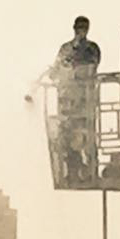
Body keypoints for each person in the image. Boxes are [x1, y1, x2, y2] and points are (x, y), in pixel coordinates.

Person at [50, 16, 101, 184]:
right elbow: (57, 70)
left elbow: (90, 67)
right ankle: (72, 172)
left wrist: (73, 66)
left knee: (86, 138)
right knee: (67, 139)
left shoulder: (92, 49)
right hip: (67, 103)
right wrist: (58, 70)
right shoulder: (65, 49)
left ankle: (89, 172)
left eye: (84, 27)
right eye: (79, 27)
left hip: (85, 102)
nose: (81, 30)